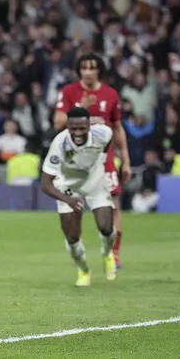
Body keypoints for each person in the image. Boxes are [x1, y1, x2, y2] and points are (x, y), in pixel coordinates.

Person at [54, 53, 131, 269]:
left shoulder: (110, 94)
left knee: (113, 207)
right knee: (75, 209)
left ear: (99, 70)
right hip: (75, 163)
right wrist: (81, 107)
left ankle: (114, 255)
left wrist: (125, 160)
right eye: (84, 67)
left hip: (103, 162)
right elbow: (58, 123)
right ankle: (78, 253)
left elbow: (117, 128)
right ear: (79, 71)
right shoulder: (69, 92)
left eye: (92, 67)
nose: (88, 71)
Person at [42, 107, 117, 286]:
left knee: (106, 227)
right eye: (73, 128)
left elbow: (108, 141)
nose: (77, 133)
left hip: (94, 181)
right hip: (68, 187)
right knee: (72, 237)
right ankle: (83, 270)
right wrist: (68, 199)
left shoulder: (103, 133)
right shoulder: (59, 143)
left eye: (82, 128)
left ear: (89, 125)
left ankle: (107, 253)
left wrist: (103, 159)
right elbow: (45, 184)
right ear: (67, 126)